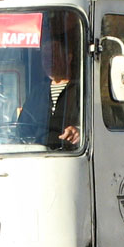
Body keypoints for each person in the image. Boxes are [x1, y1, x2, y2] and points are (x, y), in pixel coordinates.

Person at [18, 18, 82, 149]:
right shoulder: (37, 92)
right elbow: (22, 128)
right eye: (44, 57)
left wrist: (80, 131)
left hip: (72, 156)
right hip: (40, 157)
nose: (48, 61)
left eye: (53, 56)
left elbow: (96, 125)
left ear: (68, 58)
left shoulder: (82, 90)